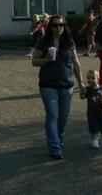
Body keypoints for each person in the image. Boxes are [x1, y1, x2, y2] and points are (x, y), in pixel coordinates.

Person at [32, 14, 84, 160]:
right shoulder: (44, 42)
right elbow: (34, 61)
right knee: (52, 115)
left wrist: (81, 83)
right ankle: (54, 147)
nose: (59, 28)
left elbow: (75, 63)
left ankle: (59, 137)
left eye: (61, 25)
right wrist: (46, 59)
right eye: (55, 25)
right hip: (48, 86)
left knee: (63, 117)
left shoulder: (69, 42)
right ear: (50, 27)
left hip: (67, 86)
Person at [80, 70, 102, 149]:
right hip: (91, 113)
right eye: (88, 78)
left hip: (101, 113)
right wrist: (82, 91)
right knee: (93, 127)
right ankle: (94, 141)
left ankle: (97, 137)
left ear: (98, 79)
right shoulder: (88, 89)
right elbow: (82, 97)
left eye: (93, 78)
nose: (90, 80)